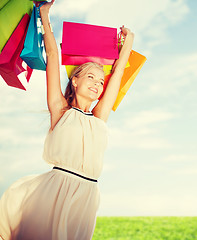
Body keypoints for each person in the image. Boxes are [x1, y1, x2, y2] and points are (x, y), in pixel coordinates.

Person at [0, 0, 134, 239]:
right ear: (74, 80)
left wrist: (128, 43)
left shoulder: (99, 117)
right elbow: (52, 54)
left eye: (100, 81)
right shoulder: (60, 109)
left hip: (88, 195)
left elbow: (119, 71)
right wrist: (44, 14)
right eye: (90, 77)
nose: (97, 83)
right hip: (56, 191)